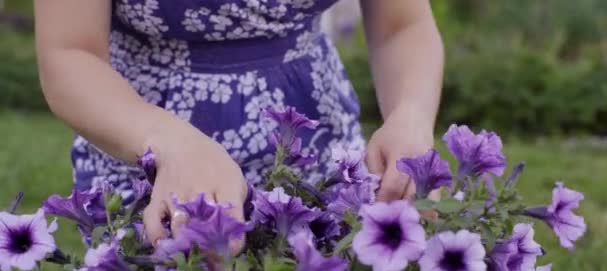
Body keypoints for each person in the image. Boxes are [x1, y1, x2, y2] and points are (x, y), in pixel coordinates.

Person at [34, 1, 443, 245]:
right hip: (150, 160)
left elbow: (401, 26)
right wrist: (168, 143)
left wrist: (410, 114)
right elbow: (70, 54)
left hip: (317, 152)